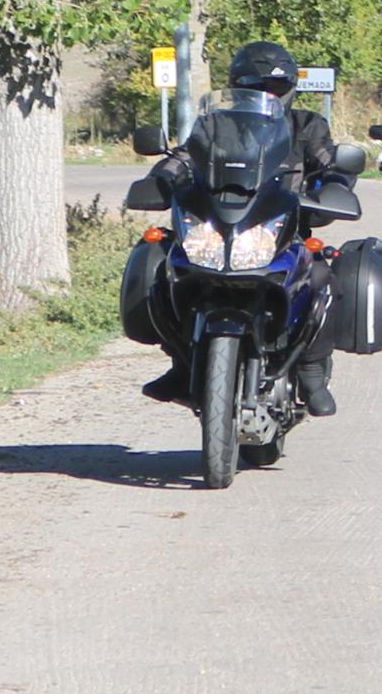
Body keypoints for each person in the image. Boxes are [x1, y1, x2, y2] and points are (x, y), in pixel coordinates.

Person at [142, 40, 354, 417]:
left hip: (281, 233)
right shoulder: (215, 124)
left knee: (322, 276)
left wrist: (334, 185)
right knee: (165, 270)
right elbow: (186, 156)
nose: (266, 96)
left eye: (274, 88)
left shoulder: (307, 125)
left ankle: (311, 372)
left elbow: (328, 163)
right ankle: (180, 363)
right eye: (256, 89)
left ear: (288, 88)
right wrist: (160, 178)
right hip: (219, 225)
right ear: (238, 87)